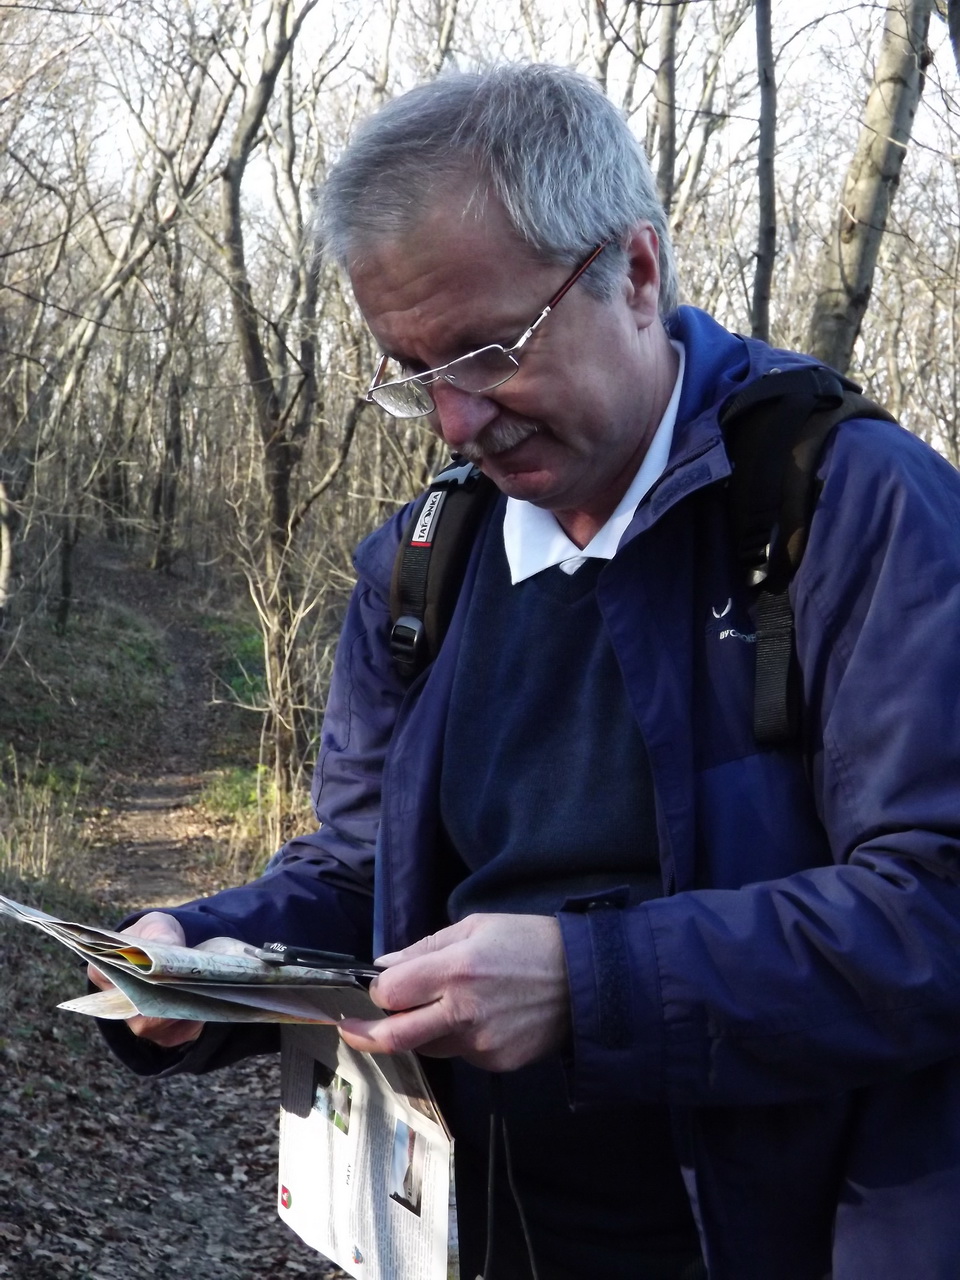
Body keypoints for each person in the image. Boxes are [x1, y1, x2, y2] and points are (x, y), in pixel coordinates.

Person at [93, 64, 960, 1280]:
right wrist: (203, 954)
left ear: (637, 272)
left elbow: (935, 900)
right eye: (411, 375)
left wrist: (583, 981)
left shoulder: (851, 508)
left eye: (487, 351)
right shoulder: (422, 563)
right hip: (477, 1230)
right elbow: (359, 874)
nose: (455, 420)